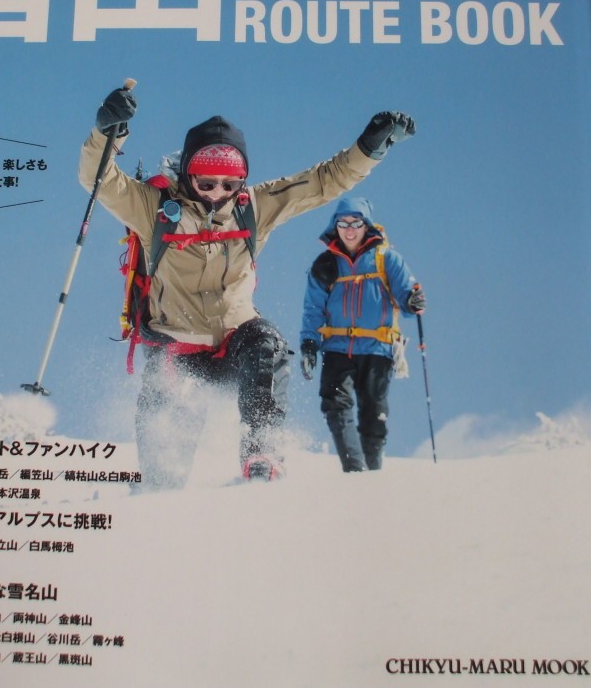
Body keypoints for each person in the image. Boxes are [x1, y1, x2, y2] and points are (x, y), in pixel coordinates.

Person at [81, 84, 415, 489]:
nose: (217, 195)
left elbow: (323, 181)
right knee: (163, 474)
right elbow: (98, 179)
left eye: (229, 185)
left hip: (234, 343)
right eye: (206, 184)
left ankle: (262, 451)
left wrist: (369, 148)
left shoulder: (254, 207)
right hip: (175, 347)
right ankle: (159, 487)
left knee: (267, 345)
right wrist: (108, 132)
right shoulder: (156, 211)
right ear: (187, 175)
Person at [299, 197, 425, 472]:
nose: (349, 229)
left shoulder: (386, 259)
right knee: (335, 406)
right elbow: (313, 309)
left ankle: (372, 474)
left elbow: (407, 299)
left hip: (377, 348)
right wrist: (309, 344)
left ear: (366, 225)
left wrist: (412, 300)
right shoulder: (325, 264)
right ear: (335, 226)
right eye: (343, 223)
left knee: (373, 414)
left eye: (356, 223)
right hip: (337, 348)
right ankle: (356, 471)